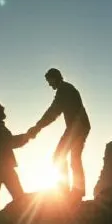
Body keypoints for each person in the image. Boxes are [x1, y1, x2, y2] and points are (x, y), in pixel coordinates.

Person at [28, 68, 90, 205]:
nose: (50, 85)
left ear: (56, 78)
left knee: (59, 156)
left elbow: (53, 112)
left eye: (50, 81)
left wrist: (37, 127)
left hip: (77, 126)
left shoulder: (64, 90)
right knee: (74, 158)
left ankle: (65, 191)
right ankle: (77, 192)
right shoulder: (67, 88)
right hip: (79, 126)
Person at [0, 100, 31, 215]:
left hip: (1, 166)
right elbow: (8, 142)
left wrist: (26, 137)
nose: (2, 111)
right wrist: (26, 136)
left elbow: (9, 142)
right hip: (0, 167)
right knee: (15, 195)